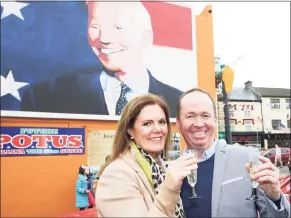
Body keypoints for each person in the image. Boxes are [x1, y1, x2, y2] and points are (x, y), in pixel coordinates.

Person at [20, 1, 182, 118]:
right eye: (95, 27)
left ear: (145, 37)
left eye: (118, 28)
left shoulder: (178, 103)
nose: (104, 38)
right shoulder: (45, 96)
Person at [176, 88, 290, 218]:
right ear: (178, 123)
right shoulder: (171, 173)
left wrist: (275, 197)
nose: (198, 123)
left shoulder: (247, 158)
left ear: (215, 120)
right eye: (190, 116)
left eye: (205, 115)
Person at [95, 94, 198, 217]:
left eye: (162, 122)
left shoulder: (162, 167)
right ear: (130, 130)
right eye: (147, 124)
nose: (158, 129)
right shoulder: (116, 175)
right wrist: (170, 188)